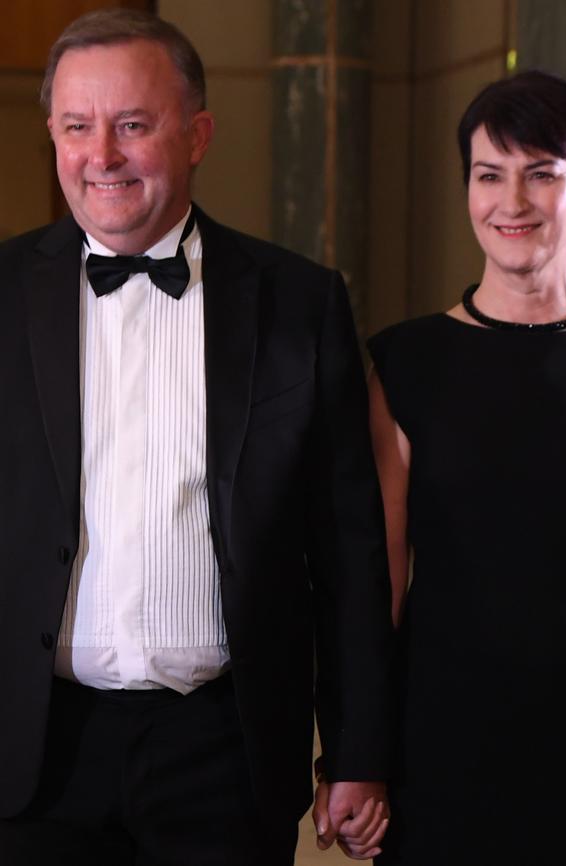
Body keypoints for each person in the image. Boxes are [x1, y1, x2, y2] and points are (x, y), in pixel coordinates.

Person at [0, 8, 393, 865]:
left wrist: (358, 751)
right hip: (36, 750)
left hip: (226, 750)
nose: (100, 155)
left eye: (132, 125)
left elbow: (348, 550)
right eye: (76, 127)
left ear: (198, 134)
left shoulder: (300, 303)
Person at [368, 70, 566, 865]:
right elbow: (380, 584)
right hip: (445, 743)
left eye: (542, 174)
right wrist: (359, 757)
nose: (511, 203)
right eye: (489, 175)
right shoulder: (408, 361)